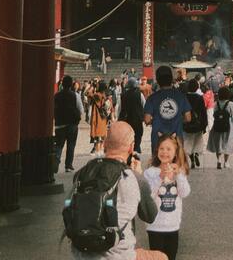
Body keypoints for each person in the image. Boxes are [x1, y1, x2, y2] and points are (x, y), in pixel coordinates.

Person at [69, 121, 167, 260]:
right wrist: (140, 176)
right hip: (119, 256)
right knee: (162, 257)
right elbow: (150, 216)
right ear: (131, 147)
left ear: (105, 143)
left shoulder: (81, 173)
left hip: (81, 253)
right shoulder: (134, 178)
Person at [143, 135, 191, 260]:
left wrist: (179, 175)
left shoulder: (179, 172)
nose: (164, 152)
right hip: (155, 225)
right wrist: (159, 178)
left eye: (169, 149)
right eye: (161, 148)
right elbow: (148, 196)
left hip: (173, 225)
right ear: (157, 150)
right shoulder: (150, 172)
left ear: (175, 152)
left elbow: (185, 193)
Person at [144, 66, 192, 153]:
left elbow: (147, 120)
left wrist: (156, 121)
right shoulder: (181, 96)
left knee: (159, 160)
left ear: (157, 80)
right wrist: (178, 119)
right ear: (171, 79)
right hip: (176, 138)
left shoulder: (152, 98)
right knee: (177, 160)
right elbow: (188, 118)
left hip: (158, 139)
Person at [54, 75, 84, 172]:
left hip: (60, 124)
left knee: (59, 145)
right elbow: (81, 109)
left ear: (62, 84)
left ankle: (55, 164)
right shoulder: (75, 95)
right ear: (71, 84)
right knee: (71, 145)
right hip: (72, 124)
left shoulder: (56, 95)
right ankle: (68, 165)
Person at [206, 86, 233, 169]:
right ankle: (226, 162)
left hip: (217, 125)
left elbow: (214, 114)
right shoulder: (230, 104)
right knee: (227, 143)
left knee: (218, 143)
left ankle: (218, 160)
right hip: (228, 126)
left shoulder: (216, 103)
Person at [182, 79, 208, 168]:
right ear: (197, 87)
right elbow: (203, 112)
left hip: (187, 124)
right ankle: (196, 154)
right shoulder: (199, 97)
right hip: (198, 124)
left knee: (188, 143)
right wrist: (204, 125)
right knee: (197, 142)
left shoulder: (184, 97)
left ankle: (192, 160)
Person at [120, 76, 146, 154]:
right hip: (138, 119)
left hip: (127, 119)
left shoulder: (123, 95)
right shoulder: (139, 94)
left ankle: (131, 149)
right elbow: (144, 105)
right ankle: (137, 148)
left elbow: (120, 108)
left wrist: (119, 118)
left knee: (128, 136)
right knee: (138, 134)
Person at [90, 80, 110, 155]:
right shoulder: (105, 95)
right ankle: (101, 150)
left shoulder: (97, 95)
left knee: (97, 135)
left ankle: (98, 151)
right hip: (103, 117)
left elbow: (88, 93)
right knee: (102, 135)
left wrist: (92, 86)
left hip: (97, 117)